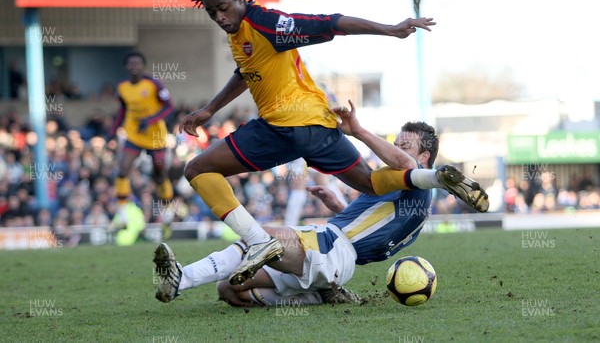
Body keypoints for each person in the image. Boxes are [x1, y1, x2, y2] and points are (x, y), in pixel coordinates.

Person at [178, 0, 486, 286]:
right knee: (367, 182)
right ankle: (435, 176)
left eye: (223, 8)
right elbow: (245, 71)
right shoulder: (239, 33)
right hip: (319, 127)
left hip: (285, 124)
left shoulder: (265, 23)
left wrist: (389, 29)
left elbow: (329, 23)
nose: (219, 17)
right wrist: (209, 110)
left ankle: (256, 240)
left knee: (198, 169)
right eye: (212, 12)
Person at [154, 102, 488, 305]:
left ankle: (179, 280)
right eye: (396, 143)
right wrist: (340, 204)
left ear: (424, 157)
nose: (396, 150)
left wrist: (357, 131)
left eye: (405, 145)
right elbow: (374, 232)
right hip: (330, 252)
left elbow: (408, 168)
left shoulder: (416, 187)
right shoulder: (397, 193)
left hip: (333, 249)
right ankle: (316, 296)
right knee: (230, 289)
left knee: (259, 239)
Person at [108, 51, 174, 233]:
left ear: (143, 66)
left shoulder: (154, 84)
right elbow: (123, 110)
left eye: (138, 63)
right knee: (122, 170)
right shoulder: (122, 87)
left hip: (155, 136)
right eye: (131, 64)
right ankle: (121, 217)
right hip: (134, 134)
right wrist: (112, 131)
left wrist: (150, 119)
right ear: (126, 67)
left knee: (159, 175)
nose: (134, 67)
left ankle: (167, 212)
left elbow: (169, 107)